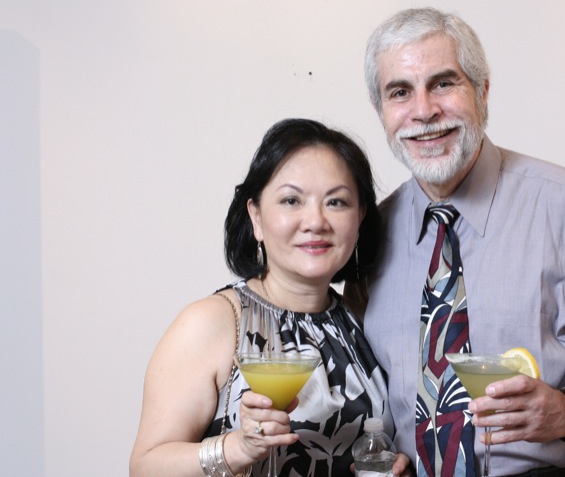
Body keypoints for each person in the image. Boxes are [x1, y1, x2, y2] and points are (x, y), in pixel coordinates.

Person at [350, 8, 565, 476]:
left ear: (482, 91)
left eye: (443, 83)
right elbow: (372, 390)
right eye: (400, 92)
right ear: (381, 110)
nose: (423, 110)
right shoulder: (369, 235)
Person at [130, 119, 411, 477]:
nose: (316, 221)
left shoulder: (364, 319)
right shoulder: (213, 323)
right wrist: (238, 448)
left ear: (360, 218)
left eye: (336, 202)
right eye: (291, 200)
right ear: (256, 217)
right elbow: (145, 466)